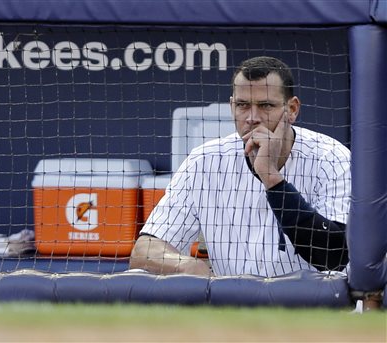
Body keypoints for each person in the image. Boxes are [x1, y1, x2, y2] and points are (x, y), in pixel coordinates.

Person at [130, 56, 350, 277]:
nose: (252, 118)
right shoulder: (205, 161)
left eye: (266, 106)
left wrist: (271, 178)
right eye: (243, 105)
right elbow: (145, 251)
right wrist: (187, 266)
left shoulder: (331, 158)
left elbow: (334, 257)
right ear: (232, 106)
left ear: (292, 109)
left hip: (318, 306)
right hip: (234, 307)